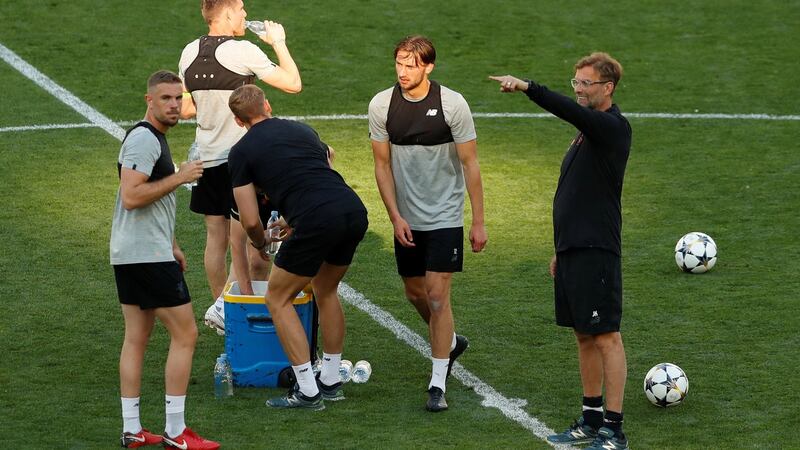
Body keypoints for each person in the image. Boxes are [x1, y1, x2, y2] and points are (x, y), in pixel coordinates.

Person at [490, 52, 632, 450]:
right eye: (576, 83)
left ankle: (614, 429)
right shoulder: (588, 134)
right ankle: (590, 418)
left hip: (596, 249)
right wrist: (560, 249)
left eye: (586, 84)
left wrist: (528, 87)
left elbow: (573, 112)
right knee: (584, 336)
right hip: (573, 249)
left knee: (606, 336)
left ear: (608, 88)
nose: (580, 90)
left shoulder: (611, 127)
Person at [227, 85, 368, 410]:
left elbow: (249, 219)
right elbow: (323, 173)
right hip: (350, 208)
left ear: (238, 121)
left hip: (318, 217)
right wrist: (296, 219)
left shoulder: (241, 152)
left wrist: (262, 241)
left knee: (277, 298)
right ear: (268, 104)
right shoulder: (303, 130)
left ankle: (307, 389)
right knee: (326, 289)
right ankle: (330, 380)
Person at [368, 35, 487, 412]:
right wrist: (395, 216)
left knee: (437, 296)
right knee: (415, 294)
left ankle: (437, 383)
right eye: (399, 64)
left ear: (429, 67)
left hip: (445, 215)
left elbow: (470, 164)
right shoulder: (381, 105)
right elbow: (382, 165)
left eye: (411, 65)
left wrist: (478, 221)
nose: (403, 72)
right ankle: (450, 342)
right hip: (406, 217)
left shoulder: (452, 105)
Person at [178, 0, 302, 335]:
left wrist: (212, 106)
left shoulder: (188, 52)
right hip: (241, 160)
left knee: (215, 240)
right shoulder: (242, 50)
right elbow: (293, 83)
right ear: (228, 13)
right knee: (247, 244)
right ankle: (228, 309)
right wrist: (278, 42)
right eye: (242, 9)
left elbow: (186, 109)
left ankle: (225, 311)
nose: (246, 15)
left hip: (205, 157)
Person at [111, 70, 219, 450]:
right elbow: (132, 196)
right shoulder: (144, 139)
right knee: (186, 334)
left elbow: (145, 199)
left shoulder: (152, 138)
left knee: (137, 339)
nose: (174, 105)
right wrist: (181, 176)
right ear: (149, 100)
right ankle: (176, 432)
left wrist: (171, 241)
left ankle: (132, 429)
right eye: (166, 99)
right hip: (145, 257)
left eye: (178, 98)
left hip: (133, 252)